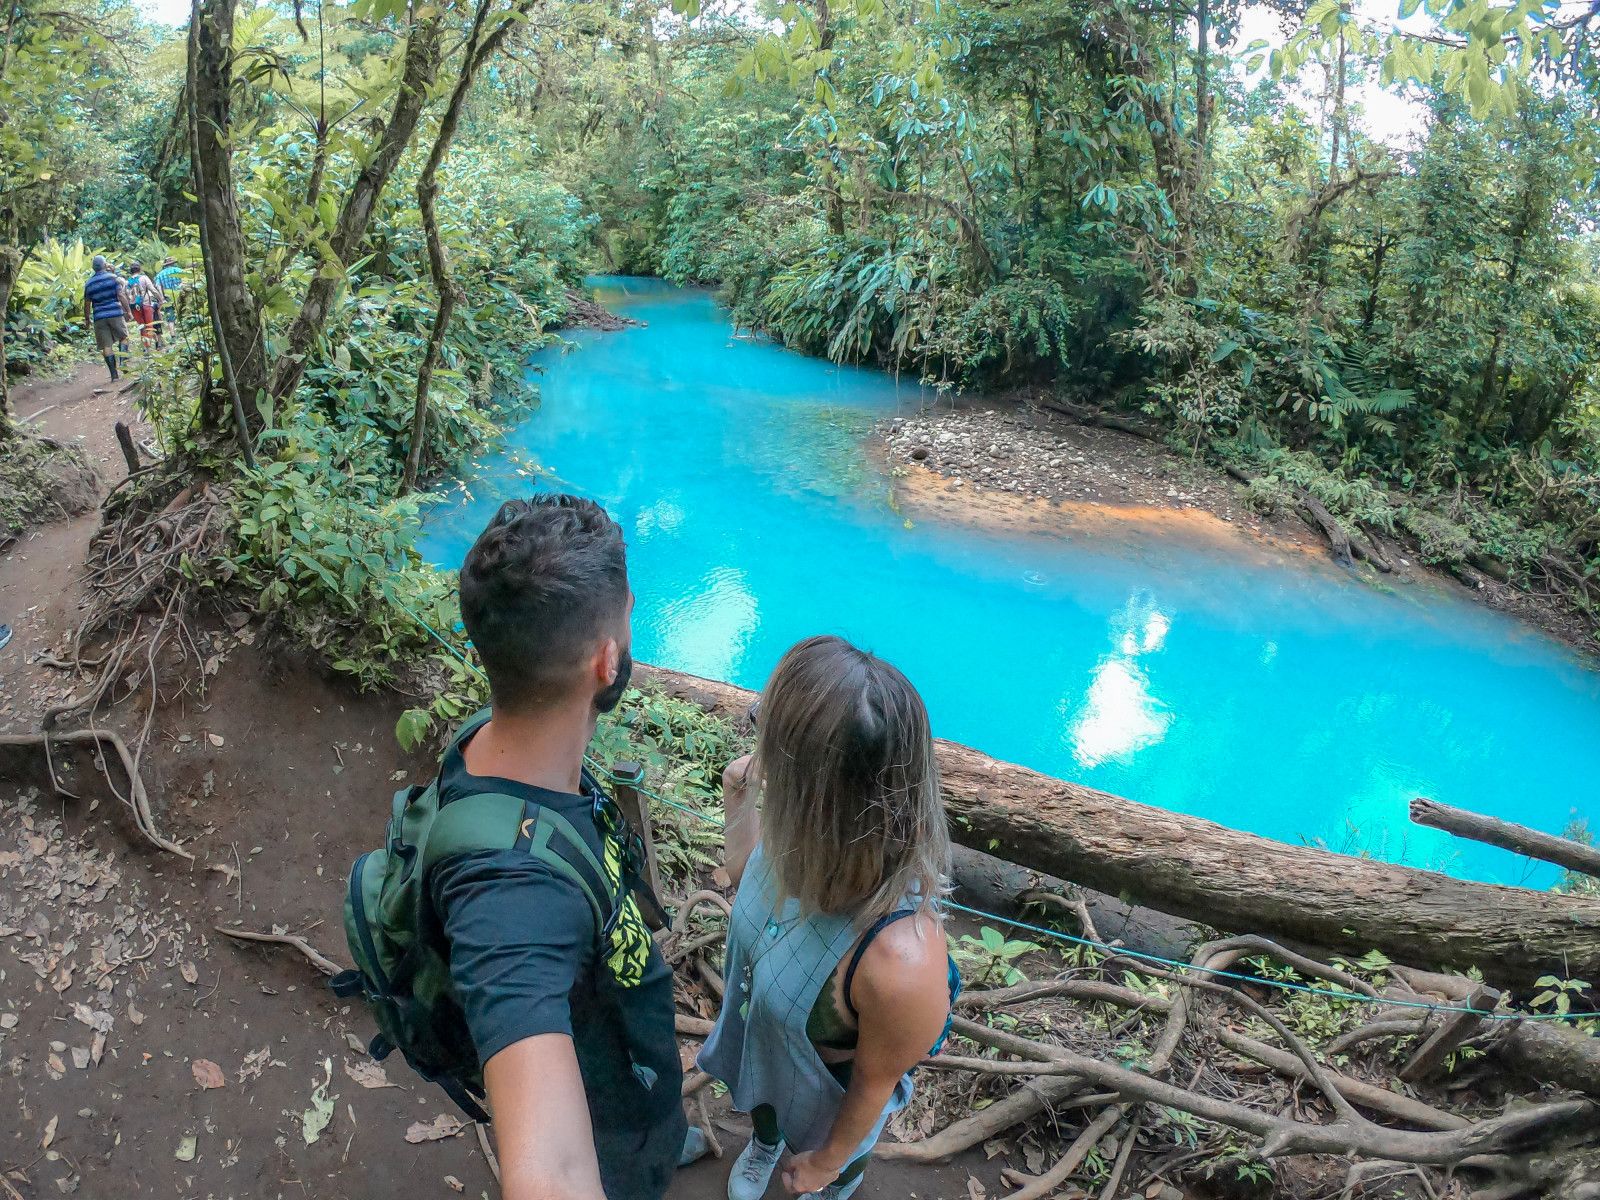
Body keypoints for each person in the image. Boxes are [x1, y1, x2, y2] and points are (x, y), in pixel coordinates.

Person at [432, 495, 687, 1199]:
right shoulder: (511, 904)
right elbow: (552, 1172)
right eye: (628, 615)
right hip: (609, 1136)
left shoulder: (498, 741)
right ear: (608, 661)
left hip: (629, 1067)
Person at [700, 635, 957, 1200]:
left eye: (763, 731)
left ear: (815, 795)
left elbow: (874, 1084)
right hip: (767, 1039)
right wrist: (738, 798)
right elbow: (748, 880)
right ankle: (766, 1142)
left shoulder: (901, 960)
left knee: (835, 1165)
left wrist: (828, 1161)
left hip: (832, 1088)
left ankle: (835, 1183)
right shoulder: (800, 841)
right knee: (764, 1100)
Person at [82, 255, 131, 381]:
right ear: (105, 265)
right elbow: (120, 295)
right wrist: (128, 311)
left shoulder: (89, 283)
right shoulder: (113, 278)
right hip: (115, 313)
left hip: (99, 317)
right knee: (123, 337)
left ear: (93, 268)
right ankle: (124, 365)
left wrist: (87, 319)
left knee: (106, 346)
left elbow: (87, 304)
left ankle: (114, 376)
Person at [127, 264, 165, 351]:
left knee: (142, 326)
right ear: (139, 270)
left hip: (134, 307)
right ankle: (148, 347)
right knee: (149, 325)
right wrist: (160, 300)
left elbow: (127, 295)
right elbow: (153, 289)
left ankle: (145, 347)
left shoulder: (128, 281)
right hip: (146, 304)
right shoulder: (143, 278)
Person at [154, 257, 182, 337]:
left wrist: (162, 298)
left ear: (165, 265)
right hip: (179, 295)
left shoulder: (160, 275)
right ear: (173, 263)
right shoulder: (179, 270)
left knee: (170, 317)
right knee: (182, 313)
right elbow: (184, 281)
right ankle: (183, 333)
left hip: (167, 298)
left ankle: (173, 335)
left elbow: (158, 287)